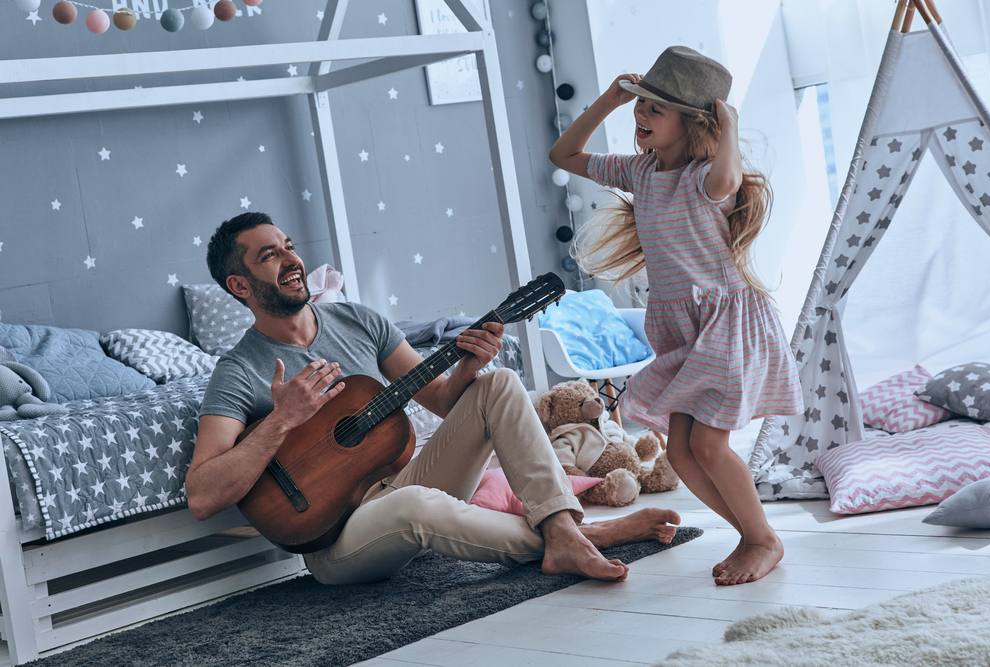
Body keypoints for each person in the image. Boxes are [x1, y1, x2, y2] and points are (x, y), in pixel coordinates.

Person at [185, 212, 682, 586]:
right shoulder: (239, 370)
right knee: (416, 504)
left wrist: (468, 363)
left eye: (288, 246)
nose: (292, 260)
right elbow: (203, 495)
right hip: (338, 540)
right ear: (239, 284)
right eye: (269, 255)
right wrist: (282, 421)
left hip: (402, 481)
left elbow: (446, 402)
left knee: (499, 384)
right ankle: (581, 537)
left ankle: (561, 531)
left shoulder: (359, 321)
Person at [549, 46, 804, 586]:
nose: (640, 117)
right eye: (639, 107)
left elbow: (729, 182)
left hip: (726, 326)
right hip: (686, 333)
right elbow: (564, 156)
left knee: (709, 445)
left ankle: (762, 539)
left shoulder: (704, 177)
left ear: (694, 124)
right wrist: (609, 100)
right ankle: (755, 535)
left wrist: (728, 126)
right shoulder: (640, 172)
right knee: (684, 454)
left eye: (653, 110)